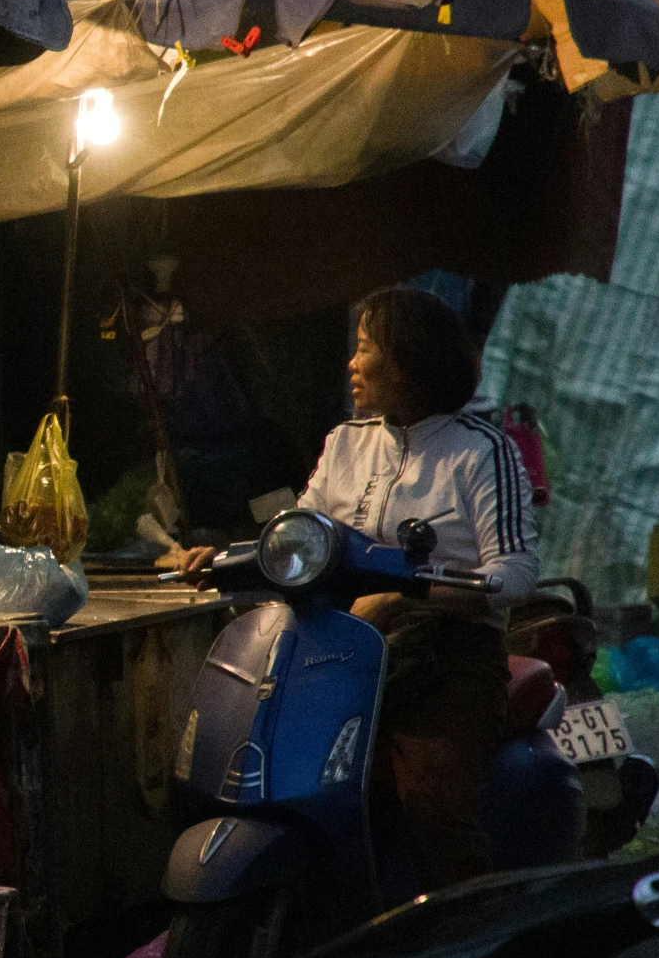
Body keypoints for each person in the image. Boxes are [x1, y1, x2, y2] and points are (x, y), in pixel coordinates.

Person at [177, 286, 536, 887]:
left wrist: (410, 593)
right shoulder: (346, 443)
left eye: (365, 347)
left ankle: (471, 945)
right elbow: (300, 538)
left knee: (434, 810)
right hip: (340, 649)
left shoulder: (480, 451)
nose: (351, 361)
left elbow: (517, 571)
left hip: (450, 657)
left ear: (406, 361)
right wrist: (225, 558)